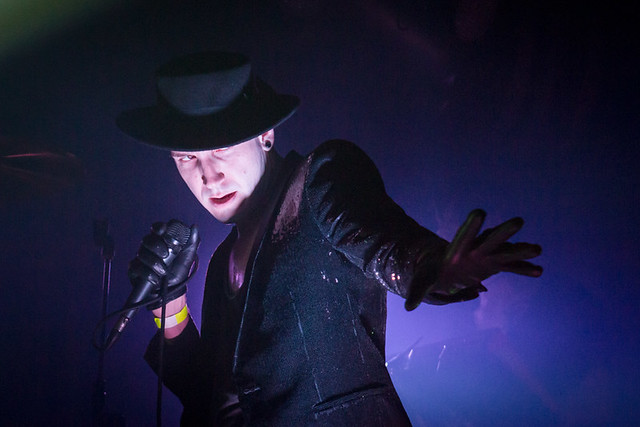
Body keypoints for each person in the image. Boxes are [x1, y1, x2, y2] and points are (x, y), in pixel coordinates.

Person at [116, 51, 542, 426]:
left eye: (222, 149)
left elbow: (383, 241)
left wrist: (435, 267)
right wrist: (169, 303)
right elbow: (210, 400)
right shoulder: (219, 263)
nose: (208, 176)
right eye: (186, 158)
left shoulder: (317, 183)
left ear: (266, 134)